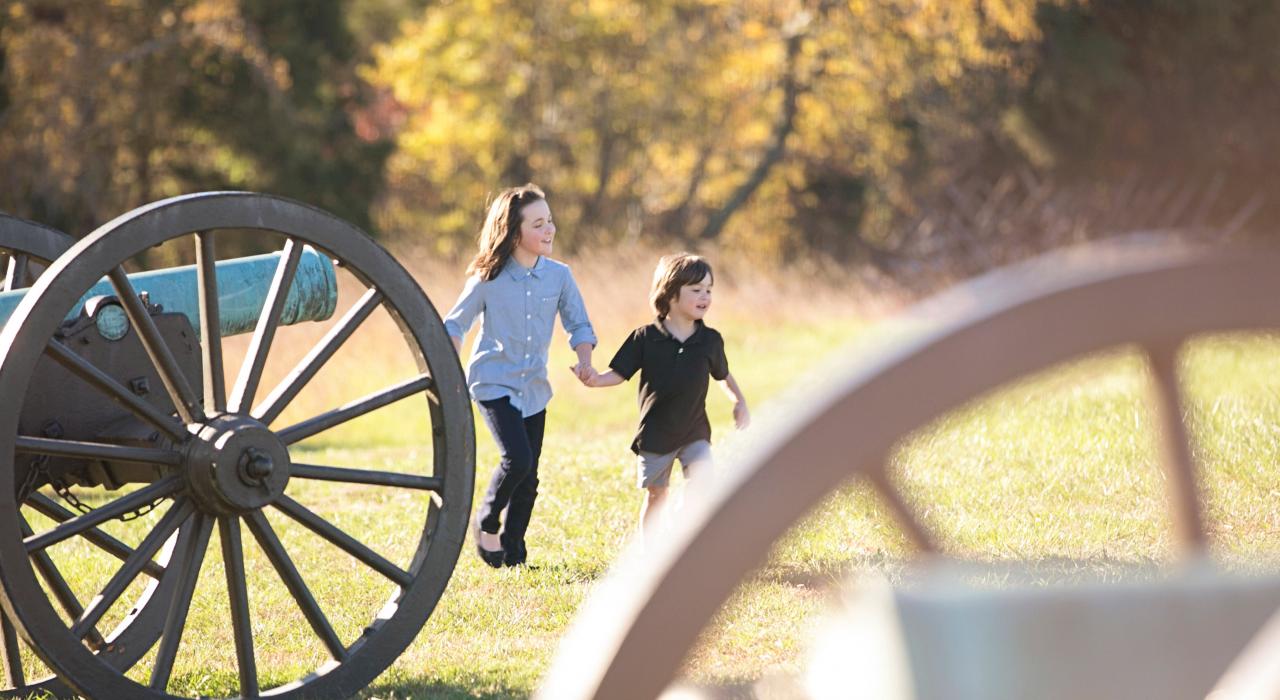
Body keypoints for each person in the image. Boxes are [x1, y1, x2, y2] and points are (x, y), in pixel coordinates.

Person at [444, 184, 597, 567]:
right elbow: (455, 324)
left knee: (530, 478)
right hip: (493, 382)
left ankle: (513, 553)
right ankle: (487, 520)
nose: (550, 230)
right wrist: (449, 359)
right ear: (514, 233)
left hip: (534, 388)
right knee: (518, 458)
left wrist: (585, 360)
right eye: (539, 224)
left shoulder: (559, 276)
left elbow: (578, 323)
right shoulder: (486, 279)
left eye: (550, 221)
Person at [579, 253, 748, 544]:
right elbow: (618, 373)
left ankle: (685, 532)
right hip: (655, 434)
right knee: (657, 495)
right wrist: (595, 380)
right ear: (669, 294)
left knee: (703, 482)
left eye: (709, 290)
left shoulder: (710, 340)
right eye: (696, 290)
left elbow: (723, 375)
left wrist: (739, 401)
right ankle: (649, 553)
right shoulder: (644, 338)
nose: (705, 296)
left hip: (695, 430)